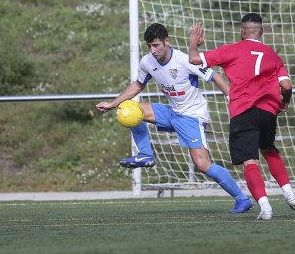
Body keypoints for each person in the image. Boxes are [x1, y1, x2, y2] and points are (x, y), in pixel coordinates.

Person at [96, 23, 253, 214]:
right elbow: (138, 85)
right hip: (173, 112)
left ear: (167, 41)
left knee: (203, 165)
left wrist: (232, 100)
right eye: (149, 46)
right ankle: (145, 154)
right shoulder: (147, 62)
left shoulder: (185, 60)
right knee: (129, 109)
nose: (153, 51)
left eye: (156, 45)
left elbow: (215, 77)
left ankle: (242, 199)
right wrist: (113, 103)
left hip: (192, 116)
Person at [189, 13, 295, 220]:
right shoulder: (272, 55)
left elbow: (194, 60)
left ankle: (265, 207)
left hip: (243, 112)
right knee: (269, 149)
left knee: (250, 162)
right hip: (268, 112)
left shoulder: (231, 50)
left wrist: (194, 44)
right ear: (262, 31)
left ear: (242, 31)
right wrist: (285, 101)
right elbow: (286, 86)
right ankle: (289, 193)